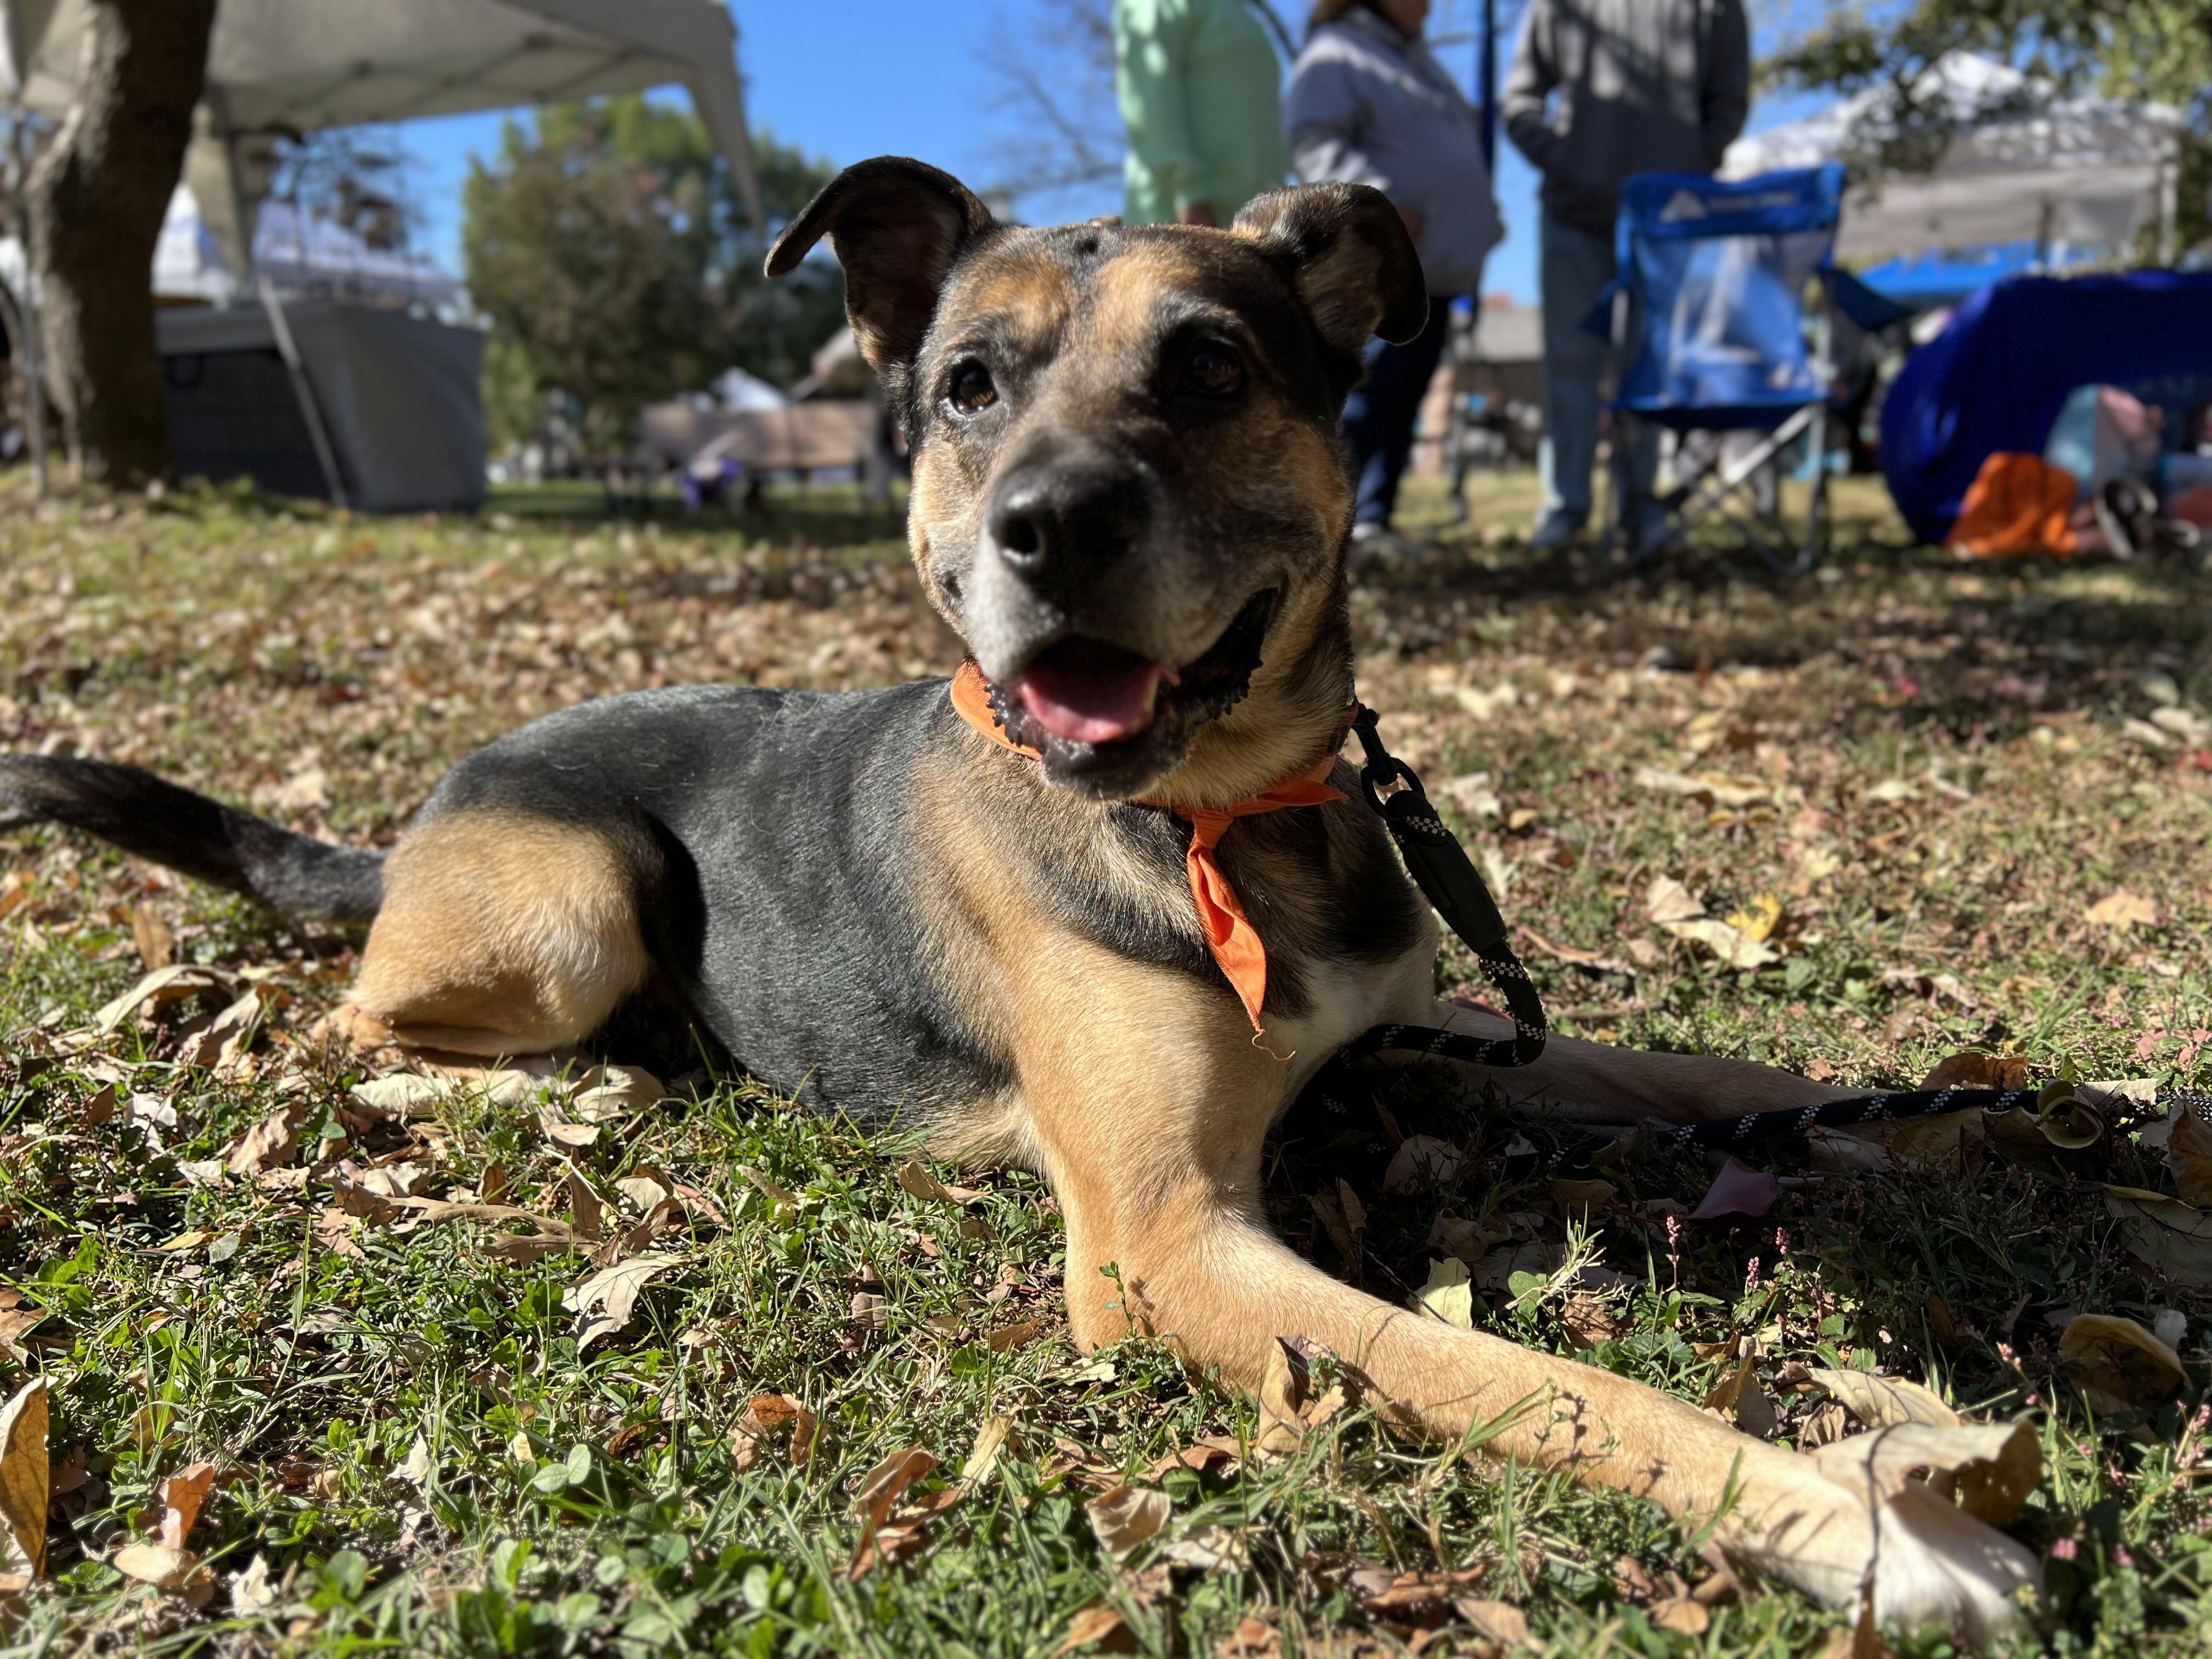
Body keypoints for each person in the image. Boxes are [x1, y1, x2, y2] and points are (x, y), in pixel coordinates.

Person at [1505, 0, 1750, 554]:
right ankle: (1566, 509)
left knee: (1650, 366)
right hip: (1574, 215)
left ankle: (1643, 505)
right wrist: (1567, 161)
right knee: (1570, 362)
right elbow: (1519, 99)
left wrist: (1688, 165)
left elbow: (1729, 99)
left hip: (1665, 219)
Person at [1286, 0, 1499, 559]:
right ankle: (1335, 532)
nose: (1431, 5)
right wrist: (1379, 203)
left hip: (1438, 271)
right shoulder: (1338, 54)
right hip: (1381, 269)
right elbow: (1314, 140)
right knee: (1370, 396)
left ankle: (1376, 519)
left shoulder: (1419, 62)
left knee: (1407, 394)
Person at [1114, 0, 1289, 228]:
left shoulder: (1243, 14)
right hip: (1180, 226)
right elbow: (1149, 102)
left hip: (1257, 223)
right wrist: (1189, 194)